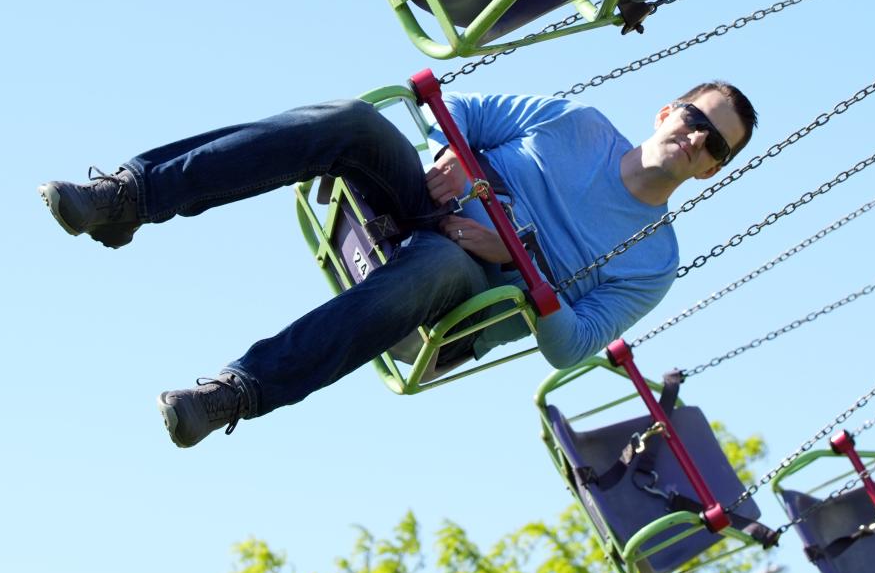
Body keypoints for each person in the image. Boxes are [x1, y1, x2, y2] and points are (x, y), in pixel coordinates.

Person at [38, 82, 757, 448]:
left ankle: (236, 392)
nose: (697, 140)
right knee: (353, 120)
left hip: (477, 282)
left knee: (434, 269)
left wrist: (520, 258)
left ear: (712, 171)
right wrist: (454, 160)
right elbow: (461, 111)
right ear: (668, 111)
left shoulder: (655, 256)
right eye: (697, 119)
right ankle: (131, 195)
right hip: (435, 197)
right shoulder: (580, 123)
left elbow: (572, 343)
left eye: (714, 146)